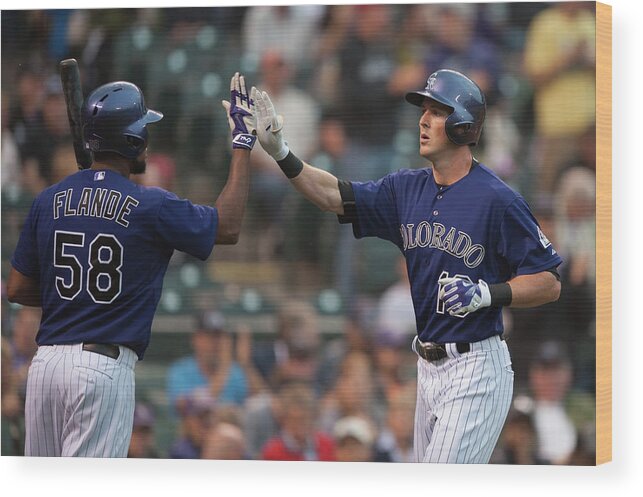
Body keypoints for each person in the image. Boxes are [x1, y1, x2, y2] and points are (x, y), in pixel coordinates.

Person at [251, 68, 562, 463]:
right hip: (427, 367)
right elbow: (333, 195)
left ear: (463, 124)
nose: (423, 119)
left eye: (436, 110)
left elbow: (550, 281)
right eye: (423, 110)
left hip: (476, 366)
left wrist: (489, 294)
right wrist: (282, 153)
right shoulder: (405, 188)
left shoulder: (497, 199)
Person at [6, 72, 256, 457]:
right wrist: (242, 145)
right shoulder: (150, 204)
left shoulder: (47, 199)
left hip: (45, 368)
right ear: (133, 140)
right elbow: (230, 226)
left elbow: (18, 289)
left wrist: (76, 295)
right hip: (100, 371)